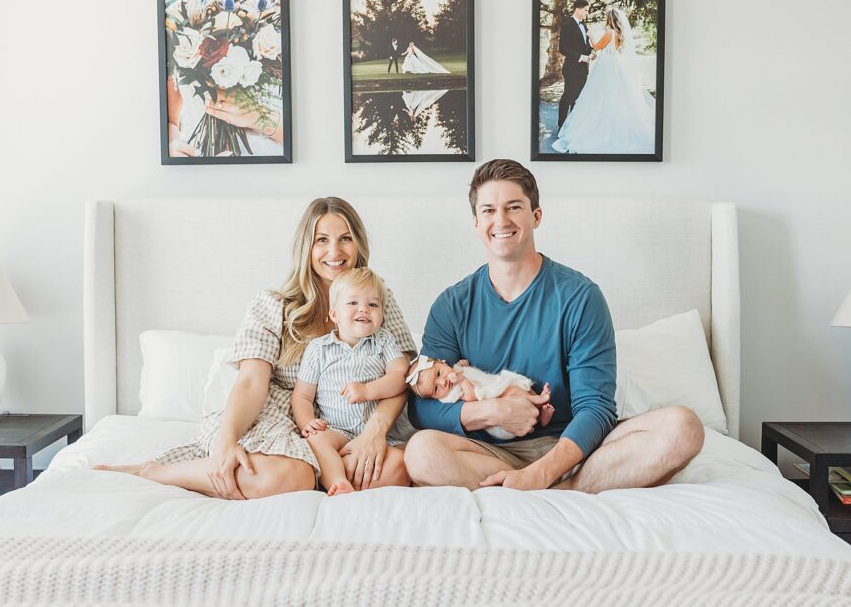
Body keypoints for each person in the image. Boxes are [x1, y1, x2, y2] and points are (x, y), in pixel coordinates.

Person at [403, 159, 704, 492]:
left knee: (683, 427)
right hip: (488, 451)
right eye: (488, 210)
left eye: (513, 207)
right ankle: (567, 491)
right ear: (476, 223)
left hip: (571, 448)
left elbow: (596, 408)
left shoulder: (580, 297)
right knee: (421, 452)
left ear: (536, 216)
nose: (500, 220)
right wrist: (493, 411)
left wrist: (540, 473)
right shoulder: (452, 305)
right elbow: (421, 407)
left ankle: (556, 489)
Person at [95, 198, 415, 498]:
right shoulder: (274, 305)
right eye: (322, 240)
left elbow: (403, 375)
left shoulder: (377, 299)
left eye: (345, 238)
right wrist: (227, 439)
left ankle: (327, 477)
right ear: (306, 247)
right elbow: (251, 381)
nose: (335, 250)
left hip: (355, 419)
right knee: (291, 477)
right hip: (280, 414)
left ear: (358, 243)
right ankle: (160, 472)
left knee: (394, 470)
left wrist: (375, 431)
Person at [291, 267, 410, 496]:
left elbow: (400, 377)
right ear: (334, 315)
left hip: (380, 433)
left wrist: (367, 390)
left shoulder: (383, 341)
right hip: (338, 430)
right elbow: (302, 396)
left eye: (373, 305)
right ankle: (338, 480)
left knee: (400, 462)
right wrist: (307, 423)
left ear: (382, 315)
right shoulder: (319, 349)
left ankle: (342, 471)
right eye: (353, 303)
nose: (364, 309)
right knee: (317, 440)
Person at [552, 7, 656, 154]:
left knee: (599, 94)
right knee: (612, 95)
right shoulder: (619, 33)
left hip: (606, 66)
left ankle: (599, 126)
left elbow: (597, 46)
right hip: (614, 64)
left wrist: (590, 36)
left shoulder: (609, 33)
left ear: (609, 18)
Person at [405, 355, 554, 439]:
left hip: (497, 397)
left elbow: (470, 373)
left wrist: (463, 366)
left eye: (438, 373)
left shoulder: (455, 370)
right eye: (436, 388)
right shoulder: (450, 395)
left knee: (522, 389)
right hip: (494, 410)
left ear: (442, 362)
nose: (442, 382)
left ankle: (541, 417)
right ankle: (538, 400)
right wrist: (462, 380)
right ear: (434, 397)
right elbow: (471, 398)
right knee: (513, 391)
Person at [556, 0, 594, 131]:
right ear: (577, 9)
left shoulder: (584, 26)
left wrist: (591, 52)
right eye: (586, 10)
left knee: (578, 98)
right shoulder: (567, 25)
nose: (586, 13)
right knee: (568, 96)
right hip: (571, 69)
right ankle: (562, 125)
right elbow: (563, 48)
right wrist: (580, 57)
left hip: (583, 69)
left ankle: (572, 126)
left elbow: (586, 46)